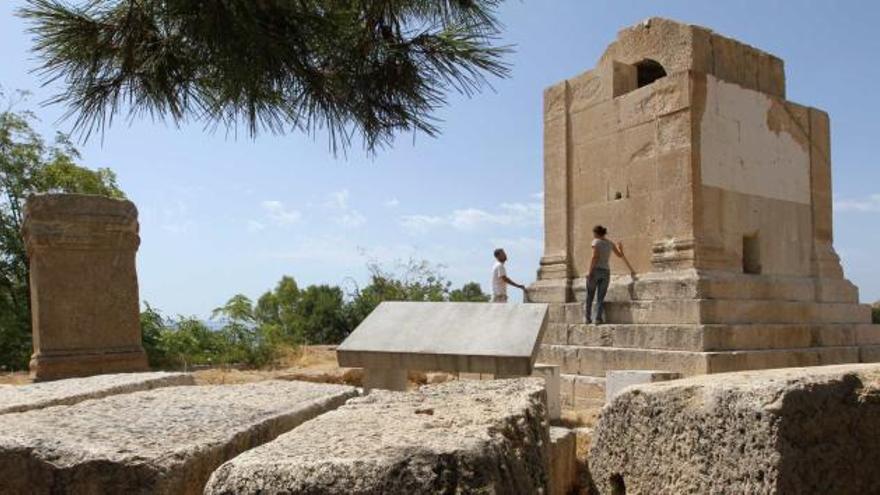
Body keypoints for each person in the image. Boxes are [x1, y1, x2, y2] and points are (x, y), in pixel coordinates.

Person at [585, 225, 632, 324]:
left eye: (594, 233)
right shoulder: (610, 243)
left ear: (596, 233)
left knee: (590, 296)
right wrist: (621, 248)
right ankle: (598, 319)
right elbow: (619, 255)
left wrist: (589, 272)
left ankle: (587, 318)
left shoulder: (595, 241)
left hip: (595, 270)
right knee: (600, 297)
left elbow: (594, 257)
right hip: (606, 271)